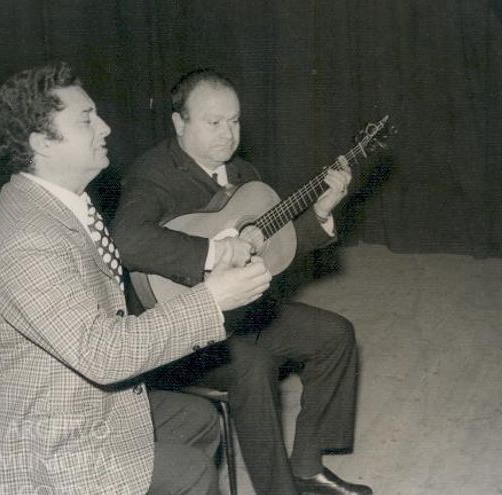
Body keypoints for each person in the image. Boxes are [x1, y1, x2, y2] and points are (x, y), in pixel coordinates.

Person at [0, 61, 271, 495]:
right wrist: (211, 299)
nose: (106, 128)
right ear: (42, 143)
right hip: (40, 443)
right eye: (87, 120)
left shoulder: (60, 202)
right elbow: (104, 354)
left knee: (198, 421)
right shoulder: (28, 240)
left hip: (74, 399)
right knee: (193, 474)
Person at [112, 68, 372, 495]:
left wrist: (320, 214)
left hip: (241, 314)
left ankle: (308, 466)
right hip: (182, 332)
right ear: (179, 123)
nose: (227, 134)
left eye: (234, 121)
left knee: (335, 335)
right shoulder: (152, 174)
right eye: (213, 123)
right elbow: (127, 239)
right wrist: (213, 252)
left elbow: (273, 245)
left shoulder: (241, 172)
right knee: (253, 367)